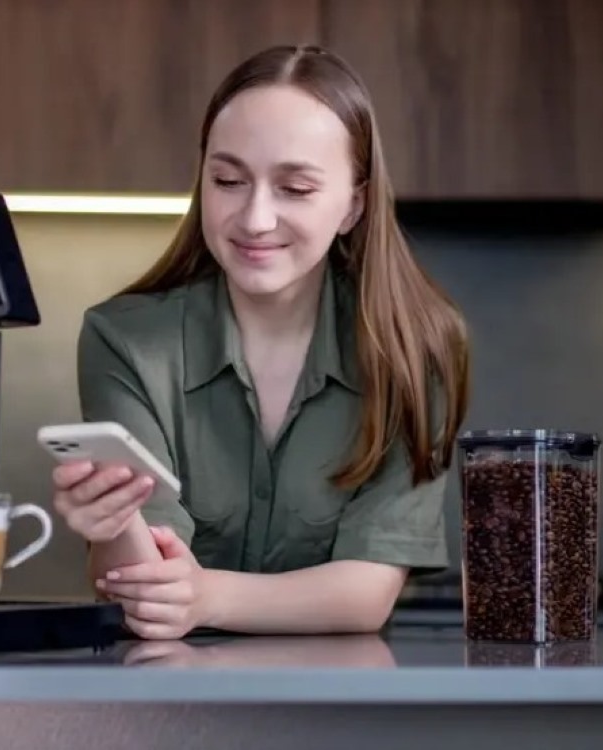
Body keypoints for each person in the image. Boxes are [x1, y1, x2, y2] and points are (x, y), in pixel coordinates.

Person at [51, 44, 470, 640]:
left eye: (295, 188)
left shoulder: (417, 349)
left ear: (353, 203)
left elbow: (365, 593)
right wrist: (112, 525)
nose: (254, 218)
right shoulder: (123, 340)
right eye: (228, 180)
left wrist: (209, 596)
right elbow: (145, 590)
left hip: (341, 715)